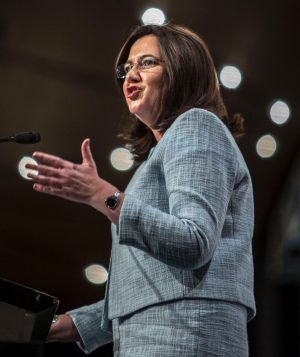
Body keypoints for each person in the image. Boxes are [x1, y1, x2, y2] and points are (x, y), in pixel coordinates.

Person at [27, 23, 255, 356]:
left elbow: (194, 242)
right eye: (126, 68)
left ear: (182, 69)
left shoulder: (197, 126)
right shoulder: (155, 159)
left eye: (147, 63)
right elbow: (146, 288)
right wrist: (62, 326)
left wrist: (101, 195)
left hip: (189, 335)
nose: (130, 76)